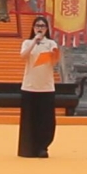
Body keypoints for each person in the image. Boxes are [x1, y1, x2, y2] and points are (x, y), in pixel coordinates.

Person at [18, 16, 59, 158]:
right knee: (30, 119)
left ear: (47, 29)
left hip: (46, 87)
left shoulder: (51, 43)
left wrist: (54, 55)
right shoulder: (27, 42)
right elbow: (23, 56)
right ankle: (28, 147)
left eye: (43, 26)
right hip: (29, 86)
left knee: (46, 120)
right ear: (33, 28)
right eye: (37, 26)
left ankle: (43, 147)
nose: (40, 28)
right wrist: (34, 41)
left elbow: (54, 62)